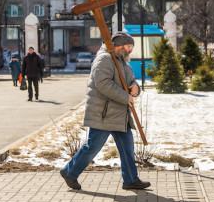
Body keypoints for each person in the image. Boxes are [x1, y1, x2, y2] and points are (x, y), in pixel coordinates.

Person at [60, 32, 151, 190]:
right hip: (104, 114)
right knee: (93, 147)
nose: (130, 50)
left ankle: (130, 179)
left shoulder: (123, 62)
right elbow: (103, 84)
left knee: (127, 147)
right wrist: (125, 97)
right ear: (119, 46)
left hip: (120, 115)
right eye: (129, 47)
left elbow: (130, 80)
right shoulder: (104, 59)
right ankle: (70, 172)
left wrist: (135, 88)